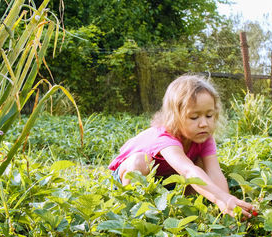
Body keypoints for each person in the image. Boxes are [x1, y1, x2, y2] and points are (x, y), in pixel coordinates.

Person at [108, 75, 256, 218]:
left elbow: (214, 172)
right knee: (140, 161)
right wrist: (220, 198)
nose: (203, 123)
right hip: (132, 175)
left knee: (201, 165)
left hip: (166, 179)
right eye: (194, 117)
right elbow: (188, 170)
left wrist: (227, 202)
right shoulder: (165, 138)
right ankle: (132, 209)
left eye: (209, 115)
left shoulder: (203, 137)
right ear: (175, 117)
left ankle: (189, 208)